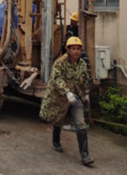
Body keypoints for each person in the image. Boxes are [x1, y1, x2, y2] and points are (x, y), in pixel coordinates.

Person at [39, 36, 94, 166]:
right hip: (62, 97)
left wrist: (86, 93)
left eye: (78, 49)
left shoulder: (82, 64)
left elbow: (85, 78)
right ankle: (56, 141)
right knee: (58, 120)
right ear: (68, 49)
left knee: (81, 124)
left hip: (76, 97)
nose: (76, 51)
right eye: (73, 49)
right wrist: (67, 92)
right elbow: (56, 78)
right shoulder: (60, 62)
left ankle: (85, 155)